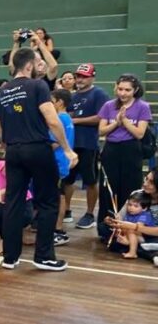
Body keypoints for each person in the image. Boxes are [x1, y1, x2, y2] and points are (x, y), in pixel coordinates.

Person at [0, 48, 77, 271]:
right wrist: (68, 150)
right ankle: (44, 257)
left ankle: (10, 257)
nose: (41, 66)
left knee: (13, 202)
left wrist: (9, 146)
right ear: (29, 66)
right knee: (48, 202)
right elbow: (52, 119)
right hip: (37, 149)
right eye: (38, 62)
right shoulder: (38, 86)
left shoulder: (2, 92)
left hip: (12, 151)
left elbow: (0, 127)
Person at [97, 74, 150, 240]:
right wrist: (116, 123)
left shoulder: (143, 107)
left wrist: (125, 120)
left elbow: (139, 133)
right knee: (108, 190)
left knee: (130, 189)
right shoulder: (108, 105)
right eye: (120, 89)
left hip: (131, 150)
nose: (123, 93)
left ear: (135, 90)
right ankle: (106, 229)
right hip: (111, 149)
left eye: (127, 90)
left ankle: (128, 229)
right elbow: (101, 131)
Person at [63, 63, 108, 229]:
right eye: (78, 76)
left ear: (92, 77)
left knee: (90, 180)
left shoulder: (99, 94)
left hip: (88, 144)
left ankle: (89, 214)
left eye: (84, 76)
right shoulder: (72, 96)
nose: (80, 79)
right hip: (70, 144)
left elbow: (101, 117)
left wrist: (75, 120)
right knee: (67, 180)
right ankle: (66, 210)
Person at [49, 89, 75, 246]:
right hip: (62, 162)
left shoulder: (59, 119)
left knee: (57, 197)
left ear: (59, 102)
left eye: (52, 100)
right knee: (60, 195)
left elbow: (54, 143)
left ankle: (58, 231)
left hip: (57, 162)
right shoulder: (68, 119)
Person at [118, 191, 155, 259]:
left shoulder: (145, 214)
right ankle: (129, 243)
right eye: (129, 205)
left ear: (144, 208)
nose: (131, 208)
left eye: (135, 206)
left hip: (145, 237)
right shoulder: (130, 213)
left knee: (131, 231)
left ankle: (132, 252)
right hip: (133, 234)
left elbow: (138, 228)